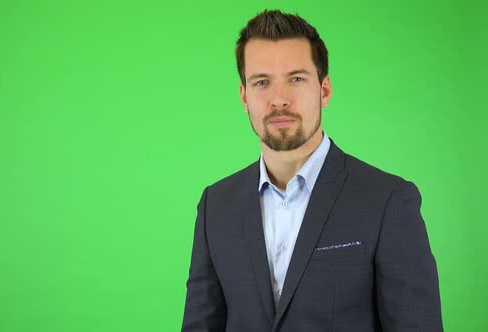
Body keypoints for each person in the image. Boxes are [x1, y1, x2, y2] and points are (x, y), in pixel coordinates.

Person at [181, 9, 443, 331]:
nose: (279, 100)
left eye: (296, 79)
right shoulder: (215, 205)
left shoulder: (388, 201)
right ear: (244, 97)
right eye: (262, 82)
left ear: (325, 90)